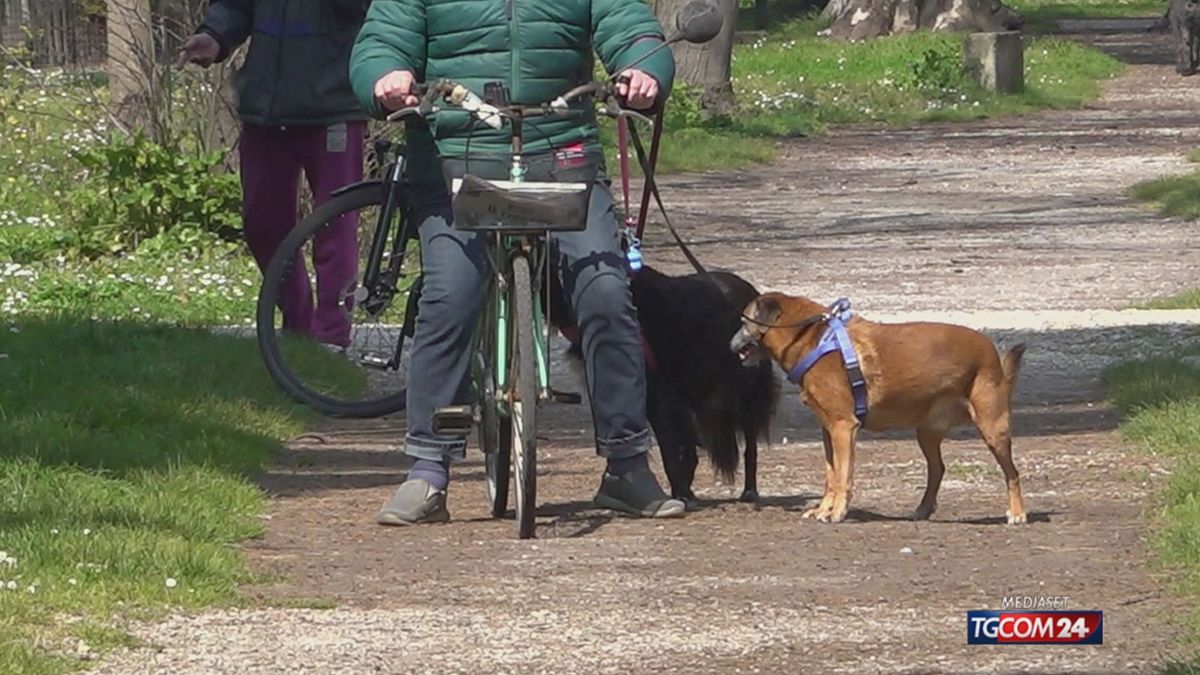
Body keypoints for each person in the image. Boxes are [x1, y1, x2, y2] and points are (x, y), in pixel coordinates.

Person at [349, 0, 686, 524]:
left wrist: (644, 68)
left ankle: (627, 464)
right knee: (451, 292)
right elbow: (382, 41)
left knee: (605, 292)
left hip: (562, 154)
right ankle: (427, 470)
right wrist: (385, 78)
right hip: (455, 156)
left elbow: (631, 27)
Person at [178, 0, 370, 348]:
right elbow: (236, 7)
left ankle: (331, 336)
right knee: (262, 224)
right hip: (265, 108)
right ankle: (297, 326)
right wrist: (214, 36)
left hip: (334, 104)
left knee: (336, 228)